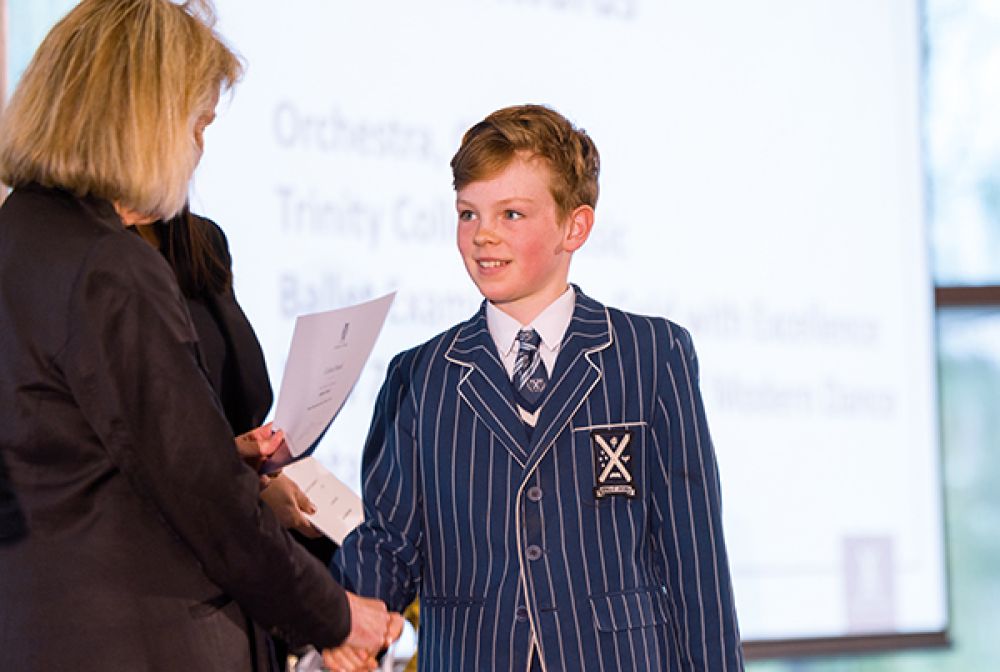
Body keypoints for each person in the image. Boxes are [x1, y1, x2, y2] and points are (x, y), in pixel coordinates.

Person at [0, 1, 398, 670]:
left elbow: (81, 457)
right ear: (143, 119)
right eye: (198, 123)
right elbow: (203, 498)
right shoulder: (111, 267)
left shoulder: (19, 240)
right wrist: (332, 614)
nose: (198, 149)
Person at [331, 104, 744, 670]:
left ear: (575, 226)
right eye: (468, 214)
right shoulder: (419, 376)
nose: (484, 236)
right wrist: (345, 620)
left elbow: (694, 558)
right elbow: (390, 542)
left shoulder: (651, 354)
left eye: (512, 214)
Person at [132, 206, 339, 667]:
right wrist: (244, 490)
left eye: (204, 128)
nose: (197, 145)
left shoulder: (200, 241)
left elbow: (240, 394)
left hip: (239, 584)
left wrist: (257, 473)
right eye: (193, 128)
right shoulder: (93, 259)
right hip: (162, 595)